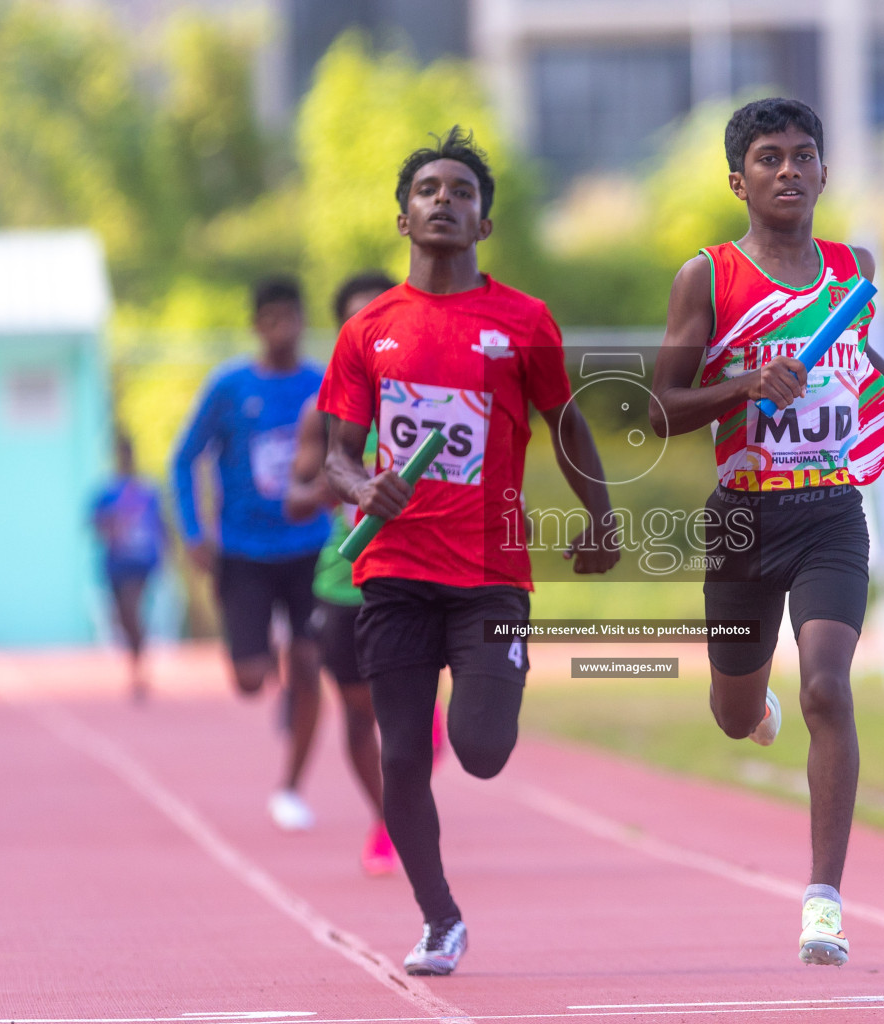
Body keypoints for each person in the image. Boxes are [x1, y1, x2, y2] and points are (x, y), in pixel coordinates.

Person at [649, 98, 884, 967]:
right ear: (738, 180)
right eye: (768, 158)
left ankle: (823, 900)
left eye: (803, 156)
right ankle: (754, 705)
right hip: (745, 517)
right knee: (729, 714)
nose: (788, 170)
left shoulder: (851, 268)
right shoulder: (707, 278)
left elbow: (853, 356)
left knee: (828, 688)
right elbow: (659, 408)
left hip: (832, 508)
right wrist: (746, 384)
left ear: (825, 171)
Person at [319, 127, 619, 976]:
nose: (444, 200)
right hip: (396, 574)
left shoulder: (522, 321)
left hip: (491, 576)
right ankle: (439, 918)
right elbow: (338, 451)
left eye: (462, 191)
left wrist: (602, 519)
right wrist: (359, 486)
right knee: (404, 757)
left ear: (483, 221)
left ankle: (485, 698)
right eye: (428, 190)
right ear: (404, 216)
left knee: (481, 749)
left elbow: (567, 425)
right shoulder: (367, 330)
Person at [171, 276, 333, 832]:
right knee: (249, 679)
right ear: (257, 325)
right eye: (272, 318)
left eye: (293, 316)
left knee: (311, 663)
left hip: (310, 547)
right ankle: (271, 664)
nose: (283, 328)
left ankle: (291, 787)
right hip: (242, 550)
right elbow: (182, 459)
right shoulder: (230, 388)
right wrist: (195, 531)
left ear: (303, 320)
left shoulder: (324, 384)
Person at [285, 269, 429, 875]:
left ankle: (420, 741)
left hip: (421, 568)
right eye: (356, 319)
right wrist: (348, 479)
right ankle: (386, 818)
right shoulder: (323, 407)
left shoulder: (430, 391)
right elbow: (296, 495)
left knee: (408, 703)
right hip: (346, 576)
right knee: (357, 712)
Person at [91, 432, 165, 702]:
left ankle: (139, 672)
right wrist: (111, 526)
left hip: (142, 562)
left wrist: (163, 559)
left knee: (132, 612)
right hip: (116, 564)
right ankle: (136, 660)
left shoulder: (147, 491)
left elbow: (161, 526)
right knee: (122, 618)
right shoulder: (107, 493)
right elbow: (94, 525)